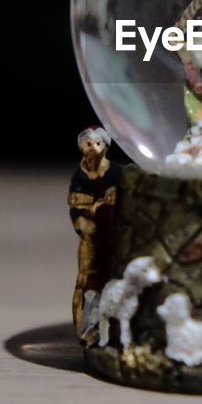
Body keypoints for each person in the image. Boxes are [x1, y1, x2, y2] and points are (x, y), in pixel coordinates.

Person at [68, 126, 118, 340]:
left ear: (106, 146)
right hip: (91, 233)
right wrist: (85, 218)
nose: (93, 149)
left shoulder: (115, 172)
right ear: (81, 147)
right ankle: (86, 327)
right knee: (87, 278)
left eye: (98, 144)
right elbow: (75, 203)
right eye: (88, 144)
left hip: (113, 233)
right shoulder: (80, 176)